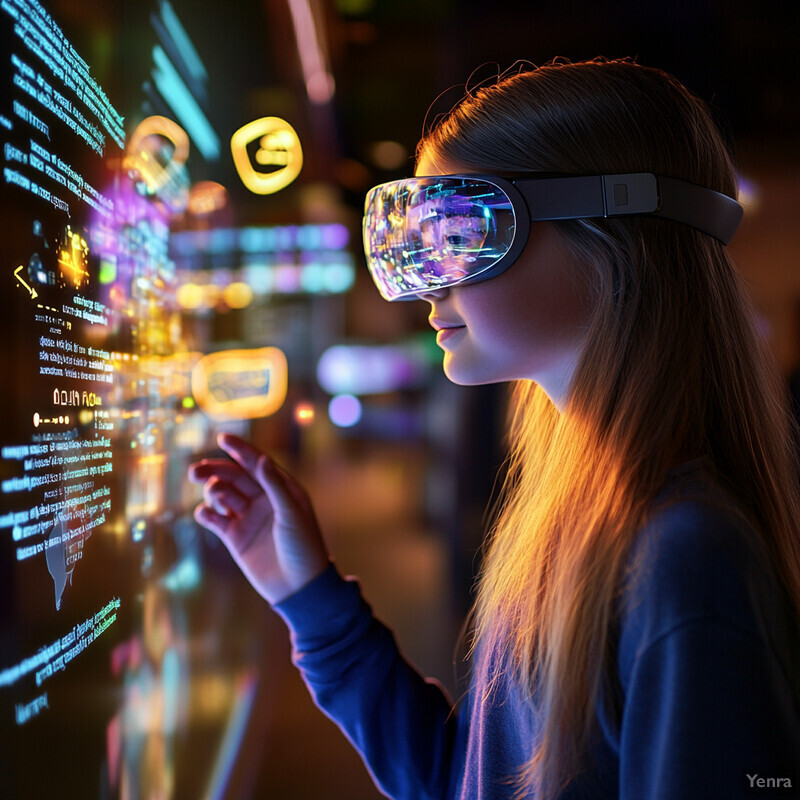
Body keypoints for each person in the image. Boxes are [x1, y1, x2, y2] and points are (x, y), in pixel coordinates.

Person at [188, 58, 800, 799]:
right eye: (423, 243)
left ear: (613, 233)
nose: (429, 285)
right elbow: (470, 781)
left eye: (461, 233)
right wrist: (306, 592)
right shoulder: (574, 518)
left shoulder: (686, 560)